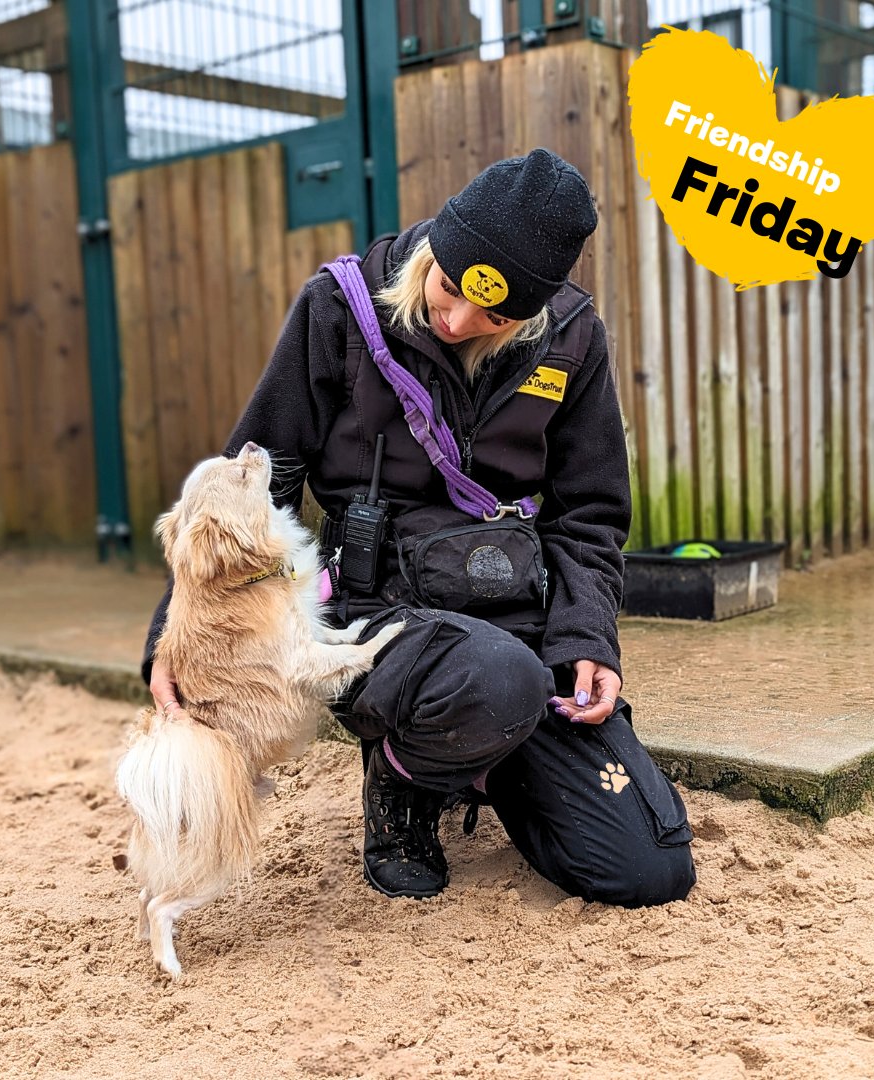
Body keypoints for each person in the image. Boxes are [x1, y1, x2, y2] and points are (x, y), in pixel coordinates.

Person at [144, 148, 696, 907]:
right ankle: (406, 780)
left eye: (496, 316)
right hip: (376, 615)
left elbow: (590, 515)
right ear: (436, 248)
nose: (461, 321)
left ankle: (488, 746)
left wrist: (587, 638)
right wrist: (172, 637)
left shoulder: (573, 337)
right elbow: (246, 492)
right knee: (499, 681)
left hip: (516, 619)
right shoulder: (338, 309)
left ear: (534, 310)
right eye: (449, 289)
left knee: (647, 867)